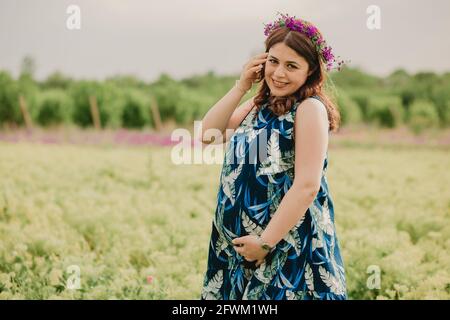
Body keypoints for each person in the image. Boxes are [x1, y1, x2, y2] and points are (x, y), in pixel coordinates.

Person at [199, 12, 348, 300]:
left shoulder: (309, 109)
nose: (279, 73)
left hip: (285, 246)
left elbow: (307, 185)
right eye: (273, 61)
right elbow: (207, 135)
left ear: (311, 72)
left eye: (291, 66)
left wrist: (265, 243)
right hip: (238, 252)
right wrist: (242, 86)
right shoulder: (259, 105)